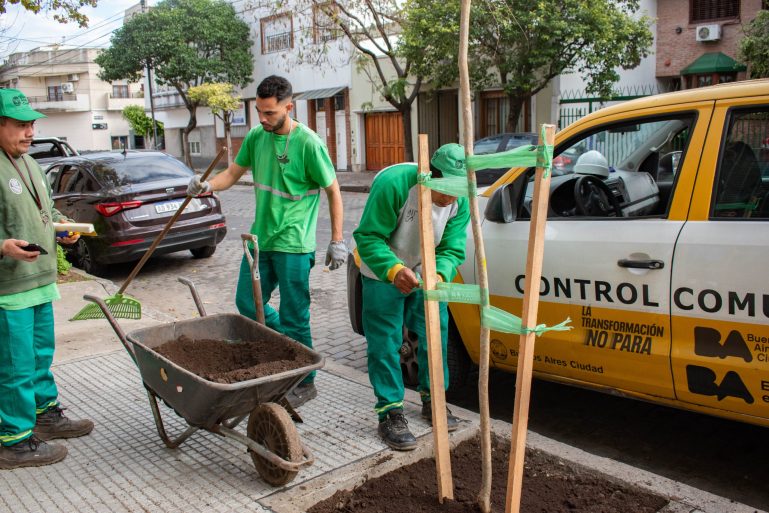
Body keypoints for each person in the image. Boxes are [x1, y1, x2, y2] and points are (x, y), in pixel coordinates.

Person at [187, 75, 346, 408]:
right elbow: (232, 173)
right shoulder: (258, 136)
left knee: (295, 316)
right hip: (260, 240)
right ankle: (285, 346)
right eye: (259, 111)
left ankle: (306, 379)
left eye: (269, 113)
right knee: (248, 303)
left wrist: (336, 239)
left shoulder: (309, 143)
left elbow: (333, 191)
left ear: (289, 107)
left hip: (294, 242)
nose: (262, 118)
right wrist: (207, 186)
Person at [352, 143, 470, 451]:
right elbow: (368, 236)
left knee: (435, 333)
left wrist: (440, 273)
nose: (452, 198)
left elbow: (452, 248)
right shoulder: (394, 184)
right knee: (385, 341)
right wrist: (394, 270)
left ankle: (434, 400)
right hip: (383, 270)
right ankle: (390, 411)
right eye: (447, 189)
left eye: (458, 190)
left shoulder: (460, 200)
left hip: (427, 272)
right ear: (430, 176)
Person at [0, 88, 94, 469]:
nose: (30, 132)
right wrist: (3, 246)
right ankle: (13, 441)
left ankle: (44, 416)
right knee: (15, 366)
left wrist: (63, 227)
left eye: (32, 124)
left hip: (39, 279)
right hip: (9, 289)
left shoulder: (31, 164)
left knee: (40, 357)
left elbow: (46, 210)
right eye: (21, 125)